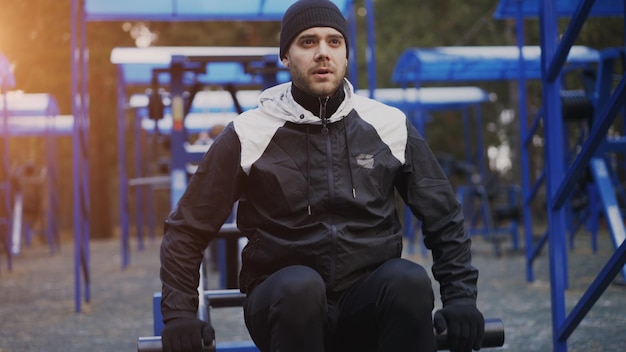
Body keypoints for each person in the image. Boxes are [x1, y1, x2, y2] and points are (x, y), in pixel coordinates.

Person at [159, 1, 485, 351]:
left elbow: (444, 218)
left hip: (366, 302)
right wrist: (179, 315)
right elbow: (187, 228)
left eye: (334, 42)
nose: (322, 53)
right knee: (301, 286)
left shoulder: (388, 125)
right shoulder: (248, 132)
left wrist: (461, 300)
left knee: (407, 280)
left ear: (346, 54)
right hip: (283, 301)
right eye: (308, 42)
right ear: (286, 56)